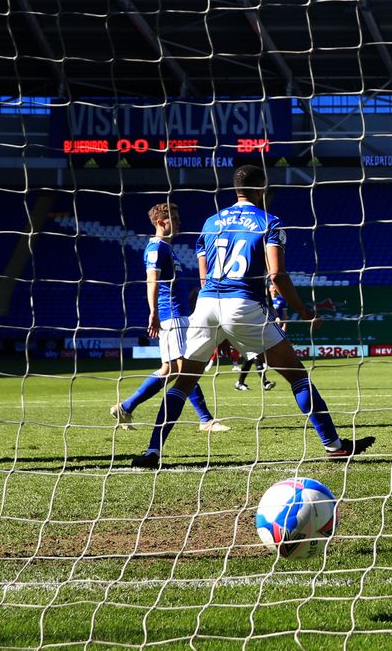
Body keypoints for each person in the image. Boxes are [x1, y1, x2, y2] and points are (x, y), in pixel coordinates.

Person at [132, 165, 374, 468]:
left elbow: (205, 279)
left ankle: (153, 451)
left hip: (206, 306)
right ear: (262, 189)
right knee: (297, 377)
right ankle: (334, 445)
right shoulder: (269, 222)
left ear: (236, 190)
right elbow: (276, 275)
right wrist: (303, 311)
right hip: (242, 304)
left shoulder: (210, 223)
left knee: (182, 383)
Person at [111, 202, 229, 434]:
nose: (179, 222)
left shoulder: (167, 248)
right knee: (183, 367)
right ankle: (205, 419)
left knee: (175, 368)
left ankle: (126, 407)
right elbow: (151, 280)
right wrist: (153, 312)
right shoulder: (156, 248)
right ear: (160, 222)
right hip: (170, 315)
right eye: (174, 218)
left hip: (179, 314)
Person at [235, 284, 284, 392]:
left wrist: (276, 316)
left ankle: (240, 382)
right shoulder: (247, 287)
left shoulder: (264, 289)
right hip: (249, 326)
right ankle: (264, 382)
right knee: (256, 354)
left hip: (263, 326)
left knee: (250, 357)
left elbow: (270, 306)